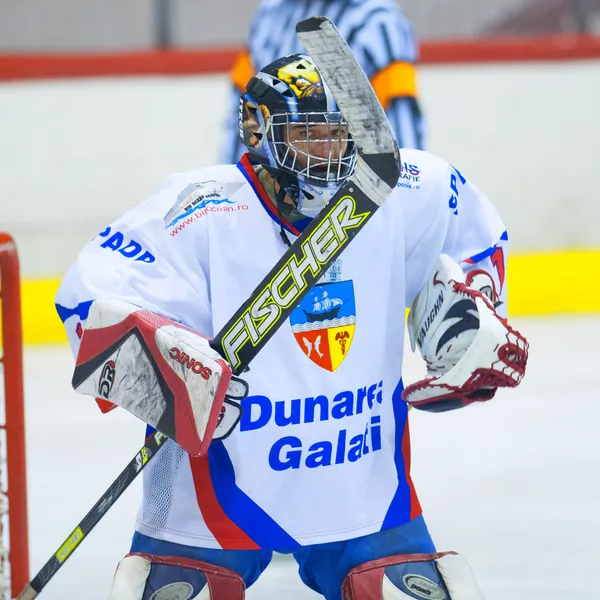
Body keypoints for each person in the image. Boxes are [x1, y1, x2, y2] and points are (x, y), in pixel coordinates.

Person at [56, 53, 528, 600]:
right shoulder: (201, 210)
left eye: (340, 134)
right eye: (310, 135)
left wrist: (476, 308)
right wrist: (161, 365)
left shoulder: (403, 190)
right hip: (212, 494)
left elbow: (474, 231)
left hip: (361, 490)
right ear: (260, 133)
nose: (332, 153)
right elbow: (87, 296)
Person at [221, 0, 425, 164]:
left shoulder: (379, 21)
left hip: (337, 192)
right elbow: (243, 113)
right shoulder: (268, 13)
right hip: (269, 190)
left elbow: (399, 128)